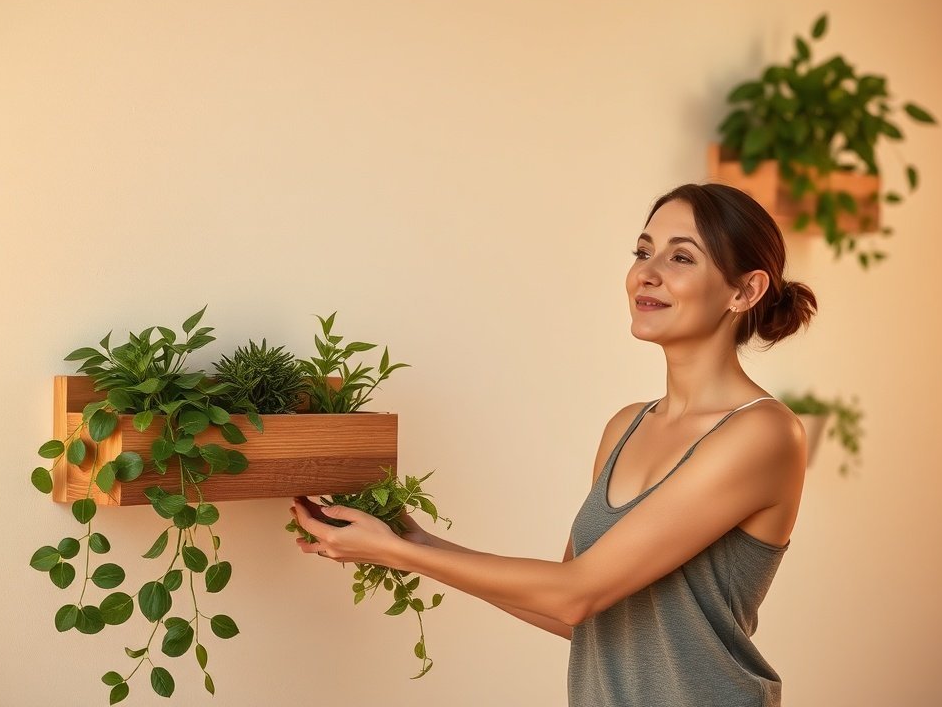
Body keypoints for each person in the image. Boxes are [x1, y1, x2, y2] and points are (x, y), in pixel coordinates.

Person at [291, 183, 816, 706]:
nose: (646, 273)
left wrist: (401, 554)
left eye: (681, 256)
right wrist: (416, 542)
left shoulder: (762, 433)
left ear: (745, 291)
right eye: (642, 251)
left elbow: (575, 595)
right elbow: (575, 610)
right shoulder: (626, 426)